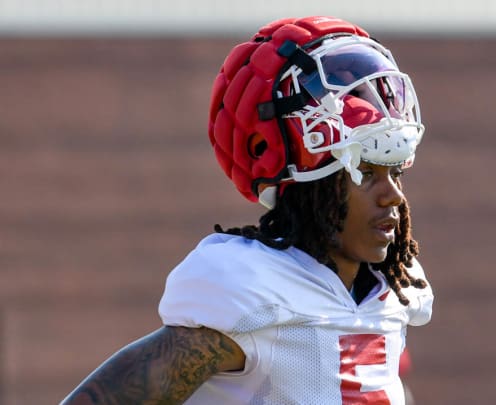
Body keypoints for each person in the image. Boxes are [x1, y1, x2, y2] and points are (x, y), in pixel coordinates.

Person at [61, 15, 433, 405]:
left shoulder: (388, 291)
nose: (393, 196)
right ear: (309, 187)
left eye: (395, 171)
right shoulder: (254, 292)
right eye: (364, 172)